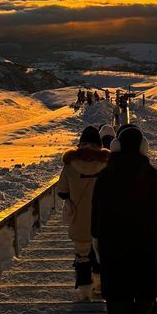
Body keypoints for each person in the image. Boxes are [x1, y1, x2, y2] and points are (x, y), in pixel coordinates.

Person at [91, 125, 157, 314]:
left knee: (117, 293)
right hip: (147, 245)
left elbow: (95, 211)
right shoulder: (153, 176)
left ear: (115, 147)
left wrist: (96, 239)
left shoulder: (105, 176)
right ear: (143, 149)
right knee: (146, 289)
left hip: (113, 245)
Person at [56, 125, 110, 300]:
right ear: (98, 143)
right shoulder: (106, 163)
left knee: (82, 255)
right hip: (102, 219)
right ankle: (100, 285)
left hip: (79, 218)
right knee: (101, 254)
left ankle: (85, 292)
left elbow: (62, 191)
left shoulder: (70, 164)